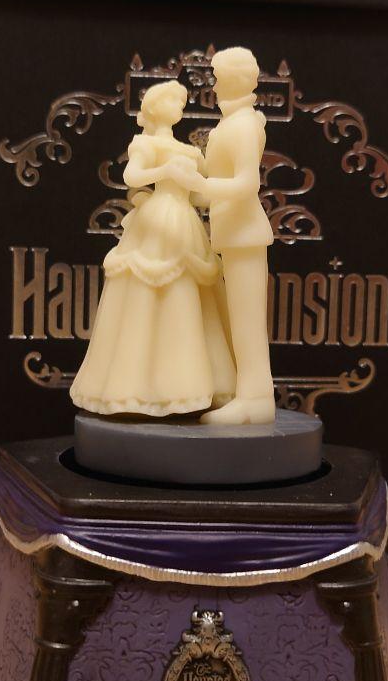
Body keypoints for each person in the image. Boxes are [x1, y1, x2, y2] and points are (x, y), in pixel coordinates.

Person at [70, 80, 235, 417]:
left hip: (184, 222)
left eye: (180, 102)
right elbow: (132, 177)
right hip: (158, 220)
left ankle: (188, 384)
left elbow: (202, 194)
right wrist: (166, 170)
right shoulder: (144, 143)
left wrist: (225, 183)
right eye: (172, 101)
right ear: (155, 108)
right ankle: (135, 388)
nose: (178, 107)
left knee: (189, 297)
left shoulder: (190, 151)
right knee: (147, 297)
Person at [174, 47, 276, 425]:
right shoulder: (230, 125)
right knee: (239, 322)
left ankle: (256, 400)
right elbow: (213, 188)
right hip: (232, 234)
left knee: (248, 322)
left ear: (234, 80)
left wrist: (200, 183)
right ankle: (248, 395)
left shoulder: (245, 125)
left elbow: (247, 184)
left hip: (245, 234)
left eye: (218, 79)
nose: (214, 87)